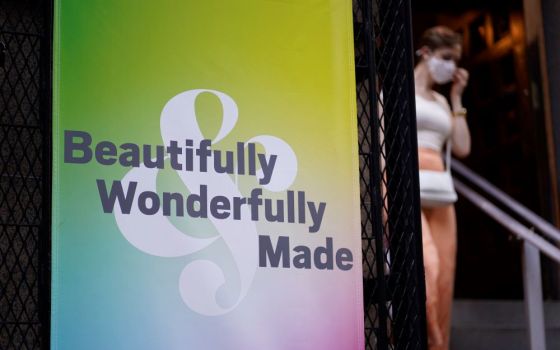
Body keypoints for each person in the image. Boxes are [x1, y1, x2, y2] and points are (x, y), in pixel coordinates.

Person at [414, 26, 471, 350]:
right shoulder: (398, 88)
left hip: (441, 192)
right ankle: (422, 341)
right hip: (409, 189)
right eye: (446, 58)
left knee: (446, 276)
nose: (451, 66)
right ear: (426, 52)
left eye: (455, 61)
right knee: (427, 268)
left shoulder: (440, 99)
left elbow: (462, 147)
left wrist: (457, 98)